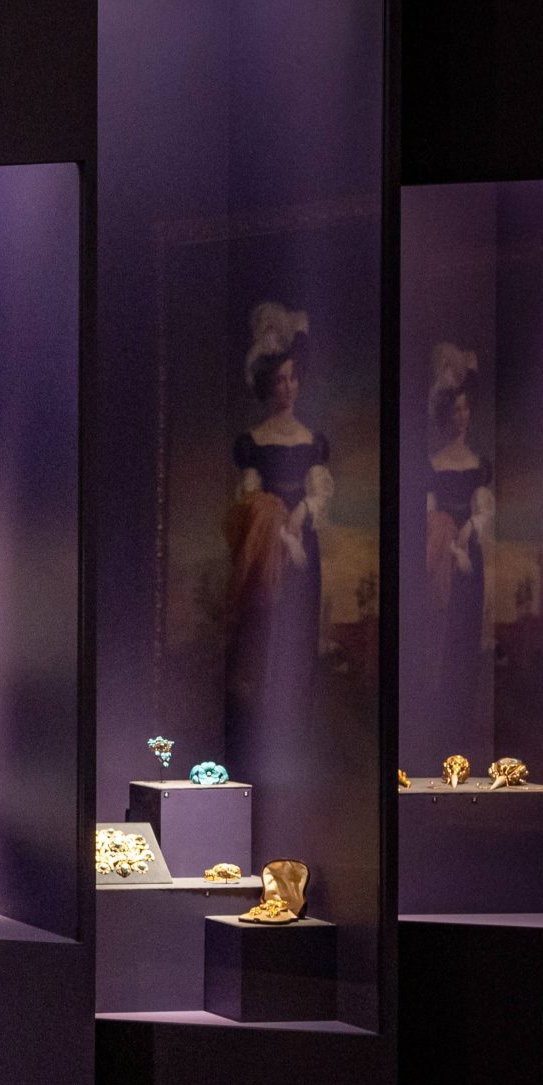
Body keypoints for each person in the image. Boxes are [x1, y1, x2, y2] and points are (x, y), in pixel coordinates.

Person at [224, 302, 333, 765]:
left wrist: (301, 511)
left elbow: (319, 494)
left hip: (302, 555)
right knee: (258, 641)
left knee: (295, 643)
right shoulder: (253, 442)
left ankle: (290, 749)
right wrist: (269, 518)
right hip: (263, 556)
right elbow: (246, 506)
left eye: (292, 379)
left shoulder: (312, 442)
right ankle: (251, 750)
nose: (287, 388)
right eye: (279, 380)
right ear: (267, 386)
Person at [423, 343, 493, 715]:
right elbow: (429, 517)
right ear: (445, 414)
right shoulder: (433, 464)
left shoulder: (480, 464)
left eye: (466, 408)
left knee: (467, 630)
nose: (462, 416)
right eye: (455, 409)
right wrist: (451, 545)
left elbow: (483, 509)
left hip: (472, 558)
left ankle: (462, 709)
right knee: (443, 631)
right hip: (442, 559)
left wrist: (472, 528)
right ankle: (441, 710)